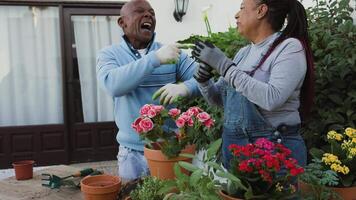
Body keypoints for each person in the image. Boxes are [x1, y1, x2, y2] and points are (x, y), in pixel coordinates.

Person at [192, 0, 314, 169]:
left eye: (242, 8)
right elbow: (220, 100)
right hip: (236, 152)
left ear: (261, 11)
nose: (236, 14)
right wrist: (203, 80)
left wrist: (223, 65)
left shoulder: (289, 47)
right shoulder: (243, 53)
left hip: (276, 154)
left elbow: (272, 98)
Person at [96, 0, 199, 181]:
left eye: (151, 12)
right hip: (132, 154)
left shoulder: (171, 52)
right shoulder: (109, 54)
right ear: (123, 23)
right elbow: (112, 85)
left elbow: (206, 78)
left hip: (169, 148)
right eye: (139, 11)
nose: (148, 15)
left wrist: (186, 87)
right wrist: (155, 59)